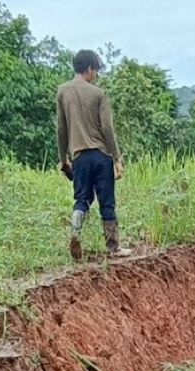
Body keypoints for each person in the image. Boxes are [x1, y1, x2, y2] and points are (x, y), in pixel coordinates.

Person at [56, 49, 127, 261]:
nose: (95, 74)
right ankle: (113, 248)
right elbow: (107, 128)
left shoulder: (62, 92)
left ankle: (76, 232)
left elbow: (61, 128)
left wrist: (63, 158)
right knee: (107, 201)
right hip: (101, 155)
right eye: (95, 70)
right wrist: (116, 158)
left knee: (82, 199)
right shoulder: (99, 94)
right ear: (89, 69)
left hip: (79, 157)